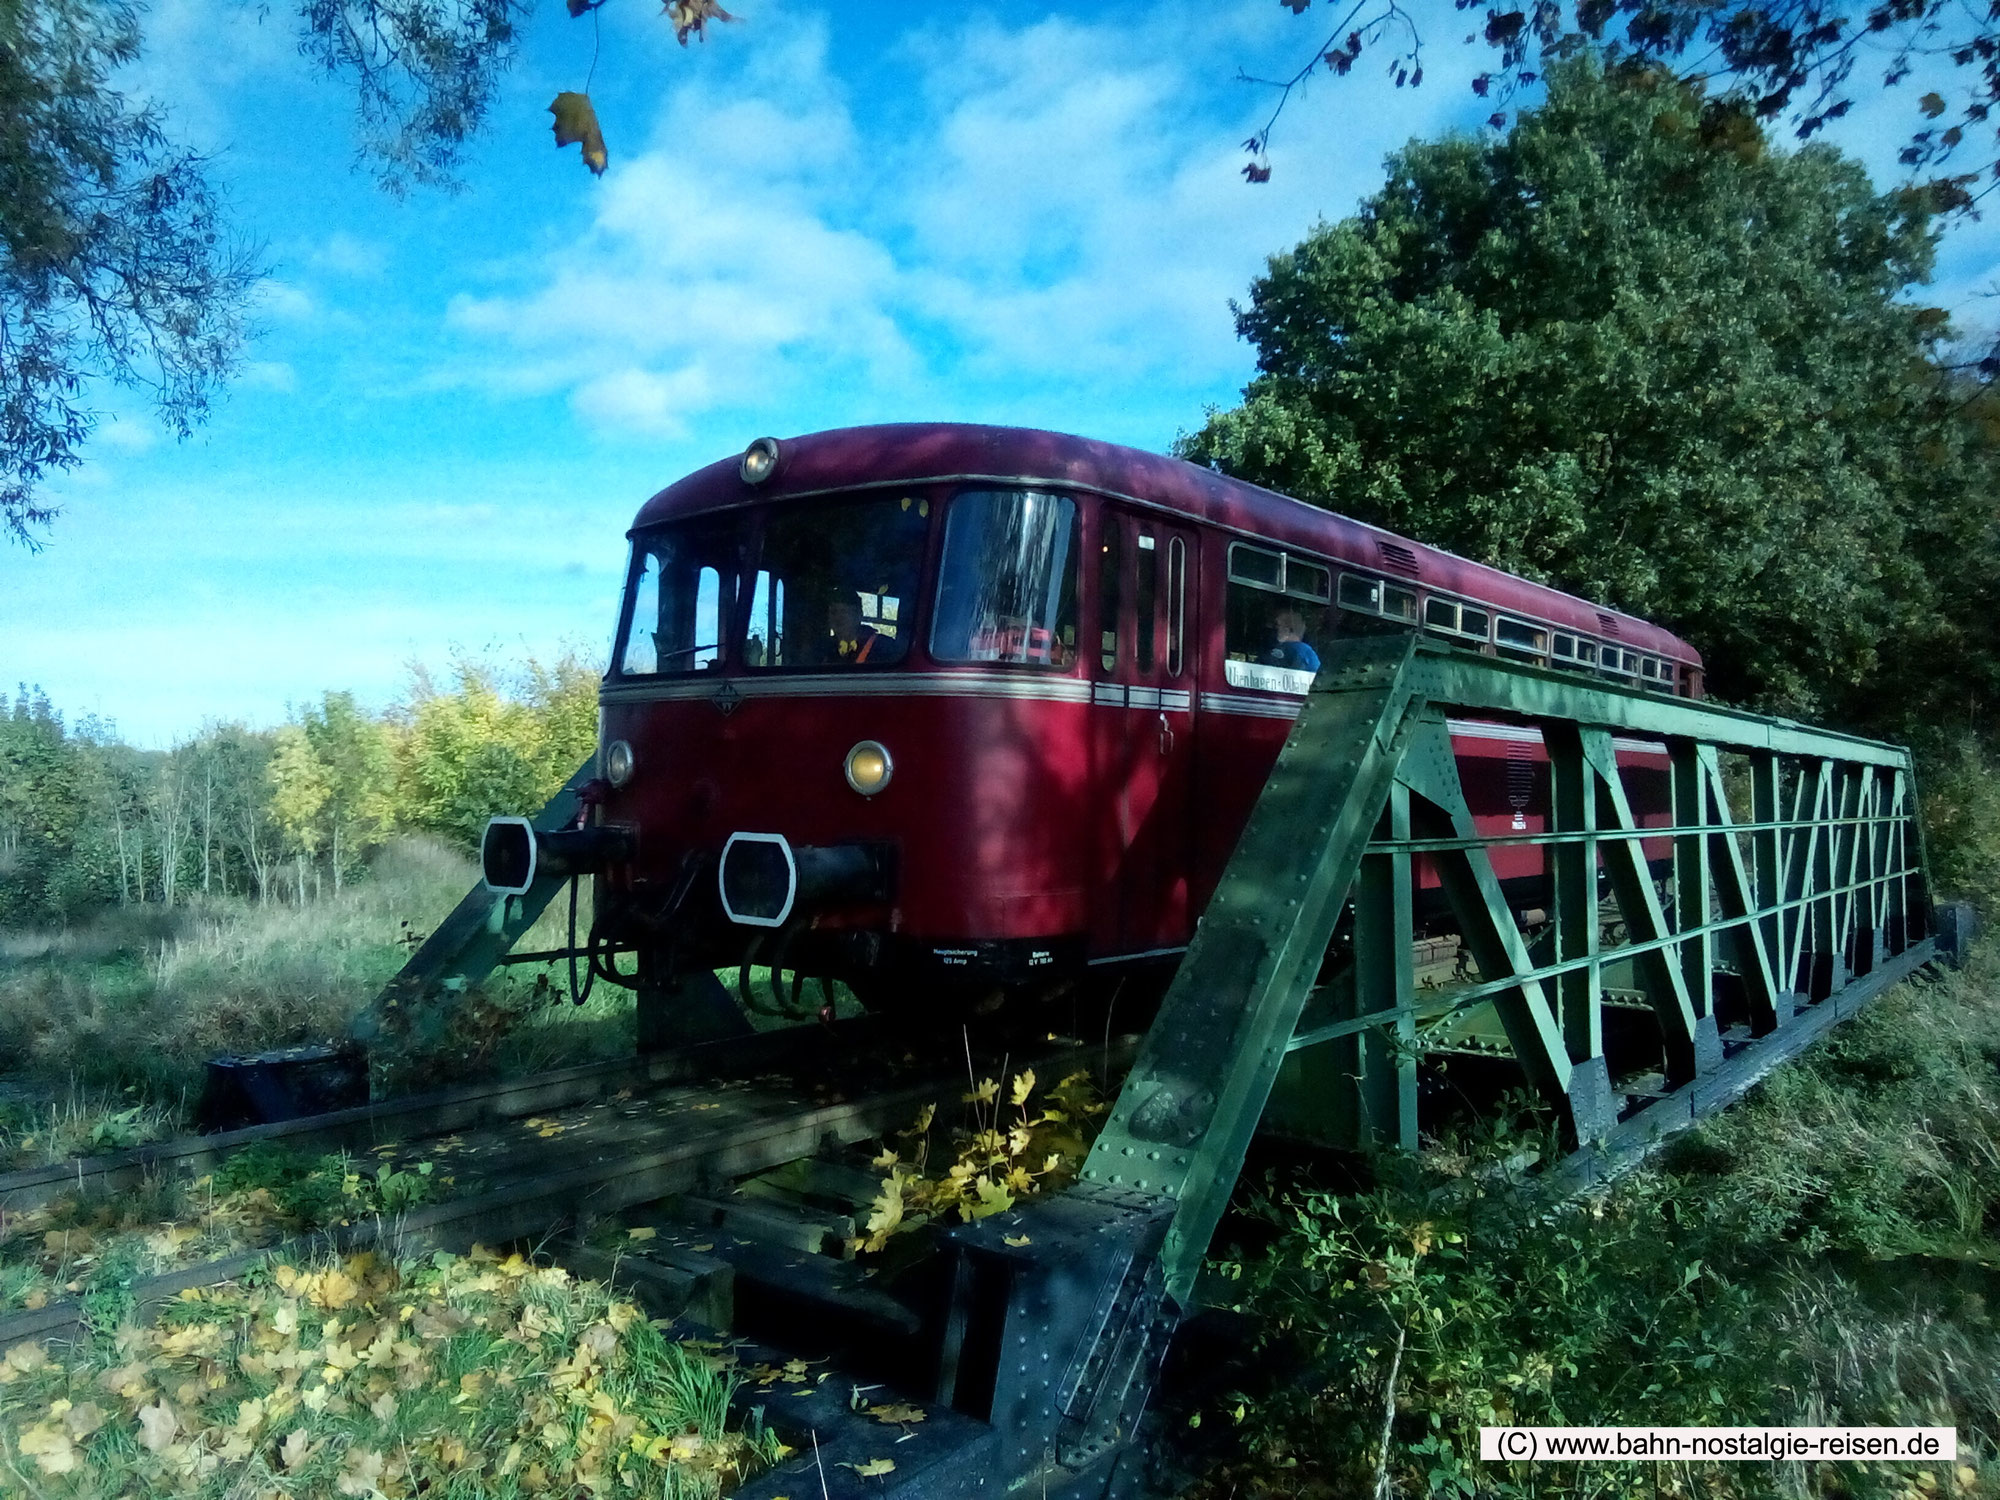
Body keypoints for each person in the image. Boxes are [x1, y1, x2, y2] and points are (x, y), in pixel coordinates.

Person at [1264, 605, 1321, 672]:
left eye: (1278, 626)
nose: (1276, 630)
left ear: (1287, 629)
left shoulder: (1302, 650)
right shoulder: (1304, 651)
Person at [827, 592, 879, 664]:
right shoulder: (823, 648)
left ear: (858, 615)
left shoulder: (881, 646)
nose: (838, 618)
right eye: (833, 612)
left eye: (844, 612)